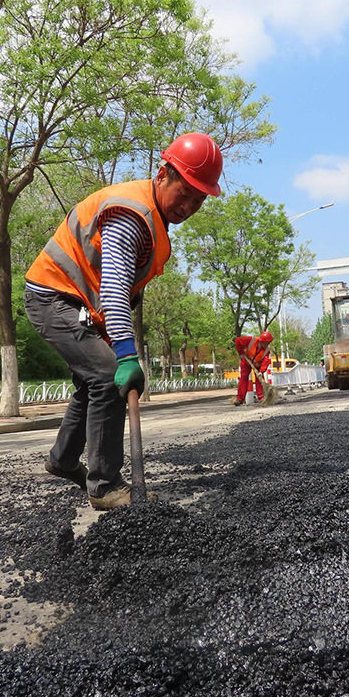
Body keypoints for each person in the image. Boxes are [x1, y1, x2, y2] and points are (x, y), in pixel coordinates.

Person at [24, 132, 223, 509]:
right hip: (52, 296)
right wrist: (127, 355)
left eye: (198, 201)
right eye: (185, 193)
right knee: (106, 374)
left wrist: (113, 337)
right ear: (163, 175)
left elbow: (120, 292)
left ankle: (63, 460)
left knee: (93, 379)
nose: (189, 206)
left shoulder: (153, 218)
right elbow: (115, 288)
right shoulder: (133, 215)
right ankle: (104, 486)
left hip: (76, 302)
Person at [234, 331, 273, 405]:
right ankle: (240, 399)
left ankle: (261, 398)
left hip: (257, 365)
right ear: (262, 341)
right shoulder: (251, 340)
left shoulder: (267, 351)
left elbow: (266, 362)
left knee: (259, 379)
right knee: (243, 378)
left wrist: (261, 371)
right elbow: (237, 340)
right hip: (246, 361)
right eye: (267, 343)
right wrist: (241, 353)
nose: (268, 344)